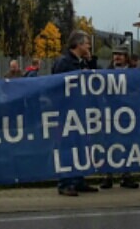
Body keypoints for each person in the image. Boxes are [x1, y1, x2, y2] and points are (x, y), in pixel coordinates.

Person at [52, 31, 100, 197]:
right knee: (68, 147)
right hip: (67, 112)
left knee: (81, 146)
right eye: (87, 43)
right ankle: (65, 182)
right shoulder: (64, 62)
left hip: (81, 110)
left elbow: (95, 80)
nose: (89, 46)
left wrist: (90, 61)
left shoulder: (81, 62)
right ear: (78, 44)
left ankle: (78, 180)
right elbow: (57, 86)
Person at [100, 45, 139, 189]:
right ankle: (107, 176)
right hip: (110, 113)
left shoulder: (134, 73)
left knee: (128, 145)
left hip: (128, 113)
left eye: (120, 54)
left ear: (126, 57)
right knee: (108, 145)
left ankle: (126, 176)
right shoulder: (106, 72)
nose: (117, 57)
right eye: (115, 54)